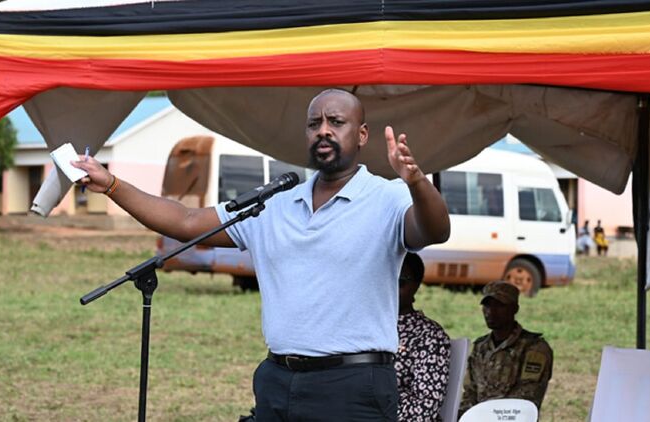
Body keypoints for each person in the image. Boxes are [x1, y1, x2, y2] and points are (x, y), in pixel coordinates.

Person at [74, 88, 451, 421]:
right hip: (278, 380)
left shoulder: (388, 197)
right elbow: (186, 221)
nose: (323, 130)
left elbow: (434, 230)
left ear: (362, 134)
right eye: (314, 123)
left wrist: (416, 182)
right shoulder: (275, 204)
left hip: (353, 386)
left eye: (336, 122)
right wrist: (112, 185)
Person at [458, 281, 553, 417]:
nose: (491, 311)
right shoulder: (480, 347)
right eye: (487, 305)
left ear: (515, 309)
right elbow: (470, 392)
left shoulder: (534, 348)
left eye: (499, 305)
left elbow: (526, 398)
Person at [395, 253, 450, 422]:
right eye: (386, 279)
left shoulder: (429, 335)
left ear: (416, 286)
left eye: (400, 281)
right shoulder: (364, 328)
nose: (390, 287)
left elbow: (425, 406)